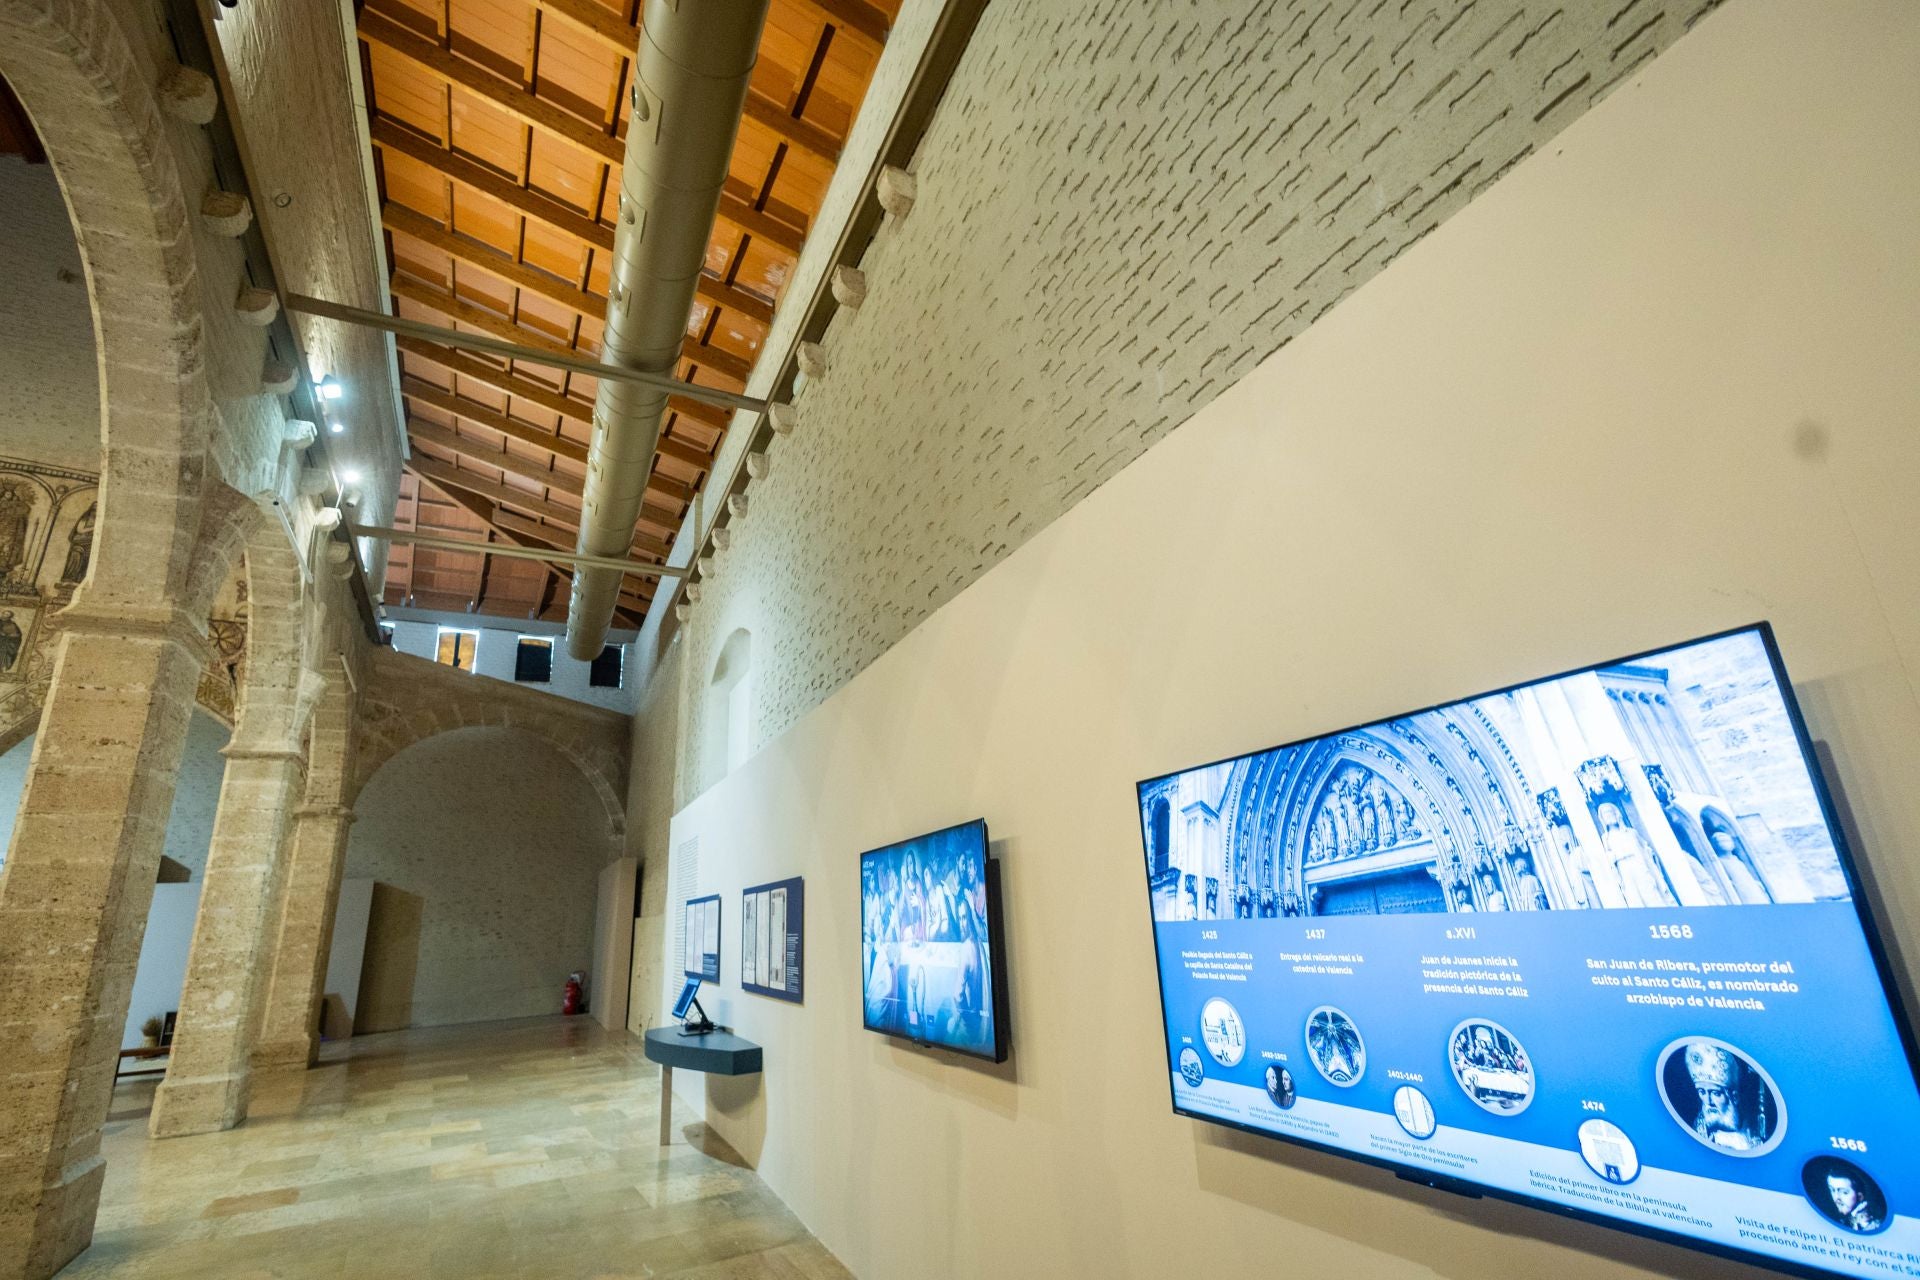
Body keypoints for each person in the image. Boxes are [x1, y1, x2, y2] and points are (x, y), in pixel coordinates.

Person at [1682, 1042, 1770, 1151]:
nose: (1708, 1101)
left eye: (1715, 1093)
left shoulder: (1755, 1128)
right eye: (1702, 1092)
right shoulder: (1700, 1127)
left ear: (1734, 1097)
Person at [1596, 803, 1673, 908]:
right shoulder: (1606, 838)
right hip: (1625, 871)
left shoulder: (1631, 832)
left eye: (1610, 811)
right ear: (1602, 818)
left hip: (1640, 866)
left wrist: (1649, 852)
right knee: (1634, 897)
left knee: (1650, 891)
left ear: (1616, 813)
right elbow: (1608, 859)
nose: (1609, 815)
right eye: (1605, 813)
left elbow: (1645, 849)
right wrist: (1614, 856)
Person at [1827, 1169, 1886, 1233]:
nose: (1836, 1197)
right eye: (1832, 1190)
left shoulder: (1872, 1226)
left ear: (1860, 1196)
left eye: (1844, 1192)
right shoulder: (1842, 1220)